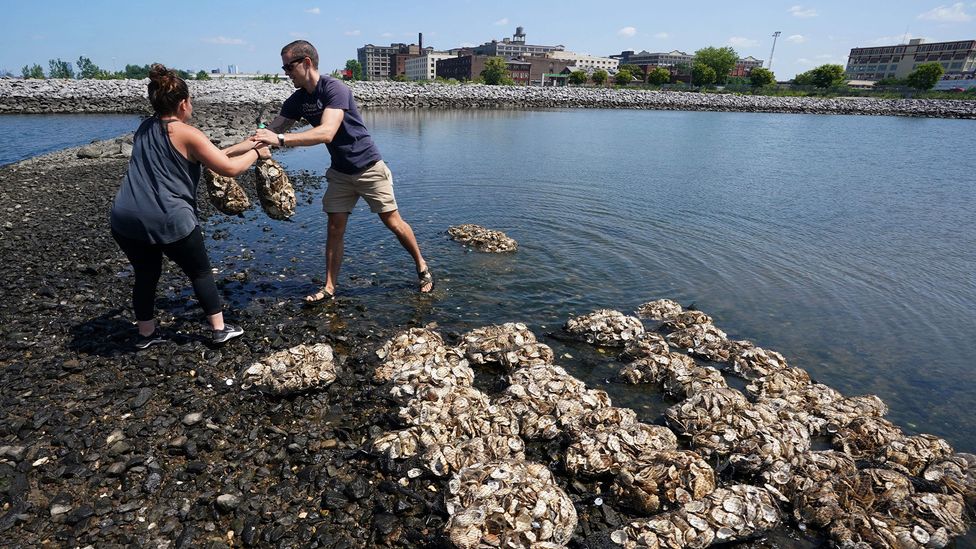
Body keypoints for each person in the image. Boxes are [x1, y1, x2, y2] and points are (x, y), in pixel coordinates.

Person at [251, 40, 433, 303]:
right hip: (340, 172)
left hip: (368, 167)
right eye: (284, 68)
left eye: (288, 67)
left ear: (306, 63)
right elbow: (270, 131)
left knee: (393, 222)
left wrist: (278, 140)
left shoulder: (335, 88)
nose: (286, 73)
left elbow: (326, 132)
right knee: (334, 228)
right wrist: (217, 155)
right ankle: (329, 287)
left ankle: (422, 266)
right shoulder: (298, 99)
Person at [110, 64, 271, 349]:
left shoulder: (145, 127)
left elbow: (208, 155)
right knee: (200, 272)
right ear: (183, 104)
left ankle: (145, 335)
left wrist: (245, 144)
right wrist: (258, 152)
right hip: (169, 217)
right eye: (191, 101)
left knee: (146, 273)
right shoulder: (188, 133)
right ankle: (219, 329)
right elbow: (230, 169)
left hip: (125, 217)